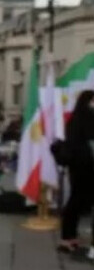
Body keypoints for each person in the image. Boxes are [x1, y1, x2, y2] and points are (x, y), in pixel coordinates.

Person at [57, 90, 94, 257]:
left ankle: (71, 236)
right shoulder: (80, 120)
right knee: (75, 201)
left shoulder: (80, 119)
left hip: (84, 167)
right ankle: (66, 238)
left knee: (79, 202)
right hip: (81, 167)